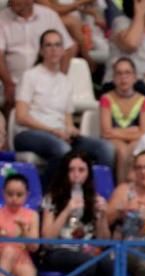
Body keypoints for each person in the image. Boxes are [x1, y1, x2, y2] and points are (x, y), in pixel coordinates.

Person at [13, 30, 115, 185]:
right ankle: (48, 196)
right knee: (63, 150)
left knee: (106, 149)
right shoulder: (30, 76)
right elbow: (21, 116)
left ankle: (96, 196)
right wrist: (52, 130)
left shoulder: (65, 81)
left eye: (57, 45)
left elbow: (67, 120)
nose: (53, 49)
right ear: (41, 51)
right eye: (48, 45)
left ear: (63, 50)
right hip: (30, 133)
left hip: (59, 134)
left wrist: (71, 130)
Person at [36, 150, 111, 276]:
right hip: (57, 251)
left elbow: (104, 240)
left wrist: (102, 216)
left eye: (81, 170)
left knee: (109, 266)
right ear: (65, 172)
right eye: (72, 170)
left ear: (88, 173)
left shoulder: (94, 198)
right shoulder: (52, 197)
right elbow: (47, 238)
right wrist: (67, 209)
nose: (76, 175)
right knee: (89, 264)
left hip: (86, 253)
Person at [0, 0, 76, 109]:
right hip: (14, 83)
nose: (12, 2)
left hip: (46, 84)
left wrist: (59, 80)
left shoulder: (49, 16)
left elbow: (67, 49)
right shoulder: (1, 18)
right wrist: (8, 84)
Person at [0, 174, 47, 276]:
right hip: (2, 258)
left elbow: (34, 247)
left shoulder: (32, 215)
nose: (14, 199)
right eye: (9, 194)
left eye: (19, 195)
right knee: (8, 251)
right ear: (3, 193)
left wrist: (25, 231)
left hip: (22, 257)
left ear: (26, 195)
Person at [100, 57, 145, 184]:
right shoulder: (106, 99)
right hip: (112, 141)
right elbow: (105, 132)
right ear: (113, 78)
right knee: (123, 150)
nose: (123, 77)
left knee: (133, 147)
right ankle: (121, 189)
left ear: (134, 77)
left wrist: (117, 131)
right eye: (119, 73)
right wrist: (133, 130)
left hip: (134, 141)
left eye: (127, 73)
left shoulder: (143, 100)